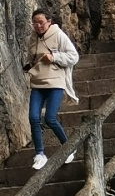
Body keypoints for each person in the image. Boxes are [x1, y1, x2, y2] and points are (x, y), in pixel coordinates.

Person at [23, 9, 79, 170]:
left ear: (49, 21)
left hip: (55, 82)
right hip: (37, 83)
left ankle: (69, 147)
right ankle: (40, 154)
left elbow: (73, 56)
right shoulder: (32, 39)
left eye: (41, 22)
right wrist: (27, 65)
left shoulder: (59, 35)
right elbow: (30, 57)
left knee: (50, 118)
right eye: (35, 23)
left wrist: (54, 57)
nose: (38, 26)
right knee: (33, 117)